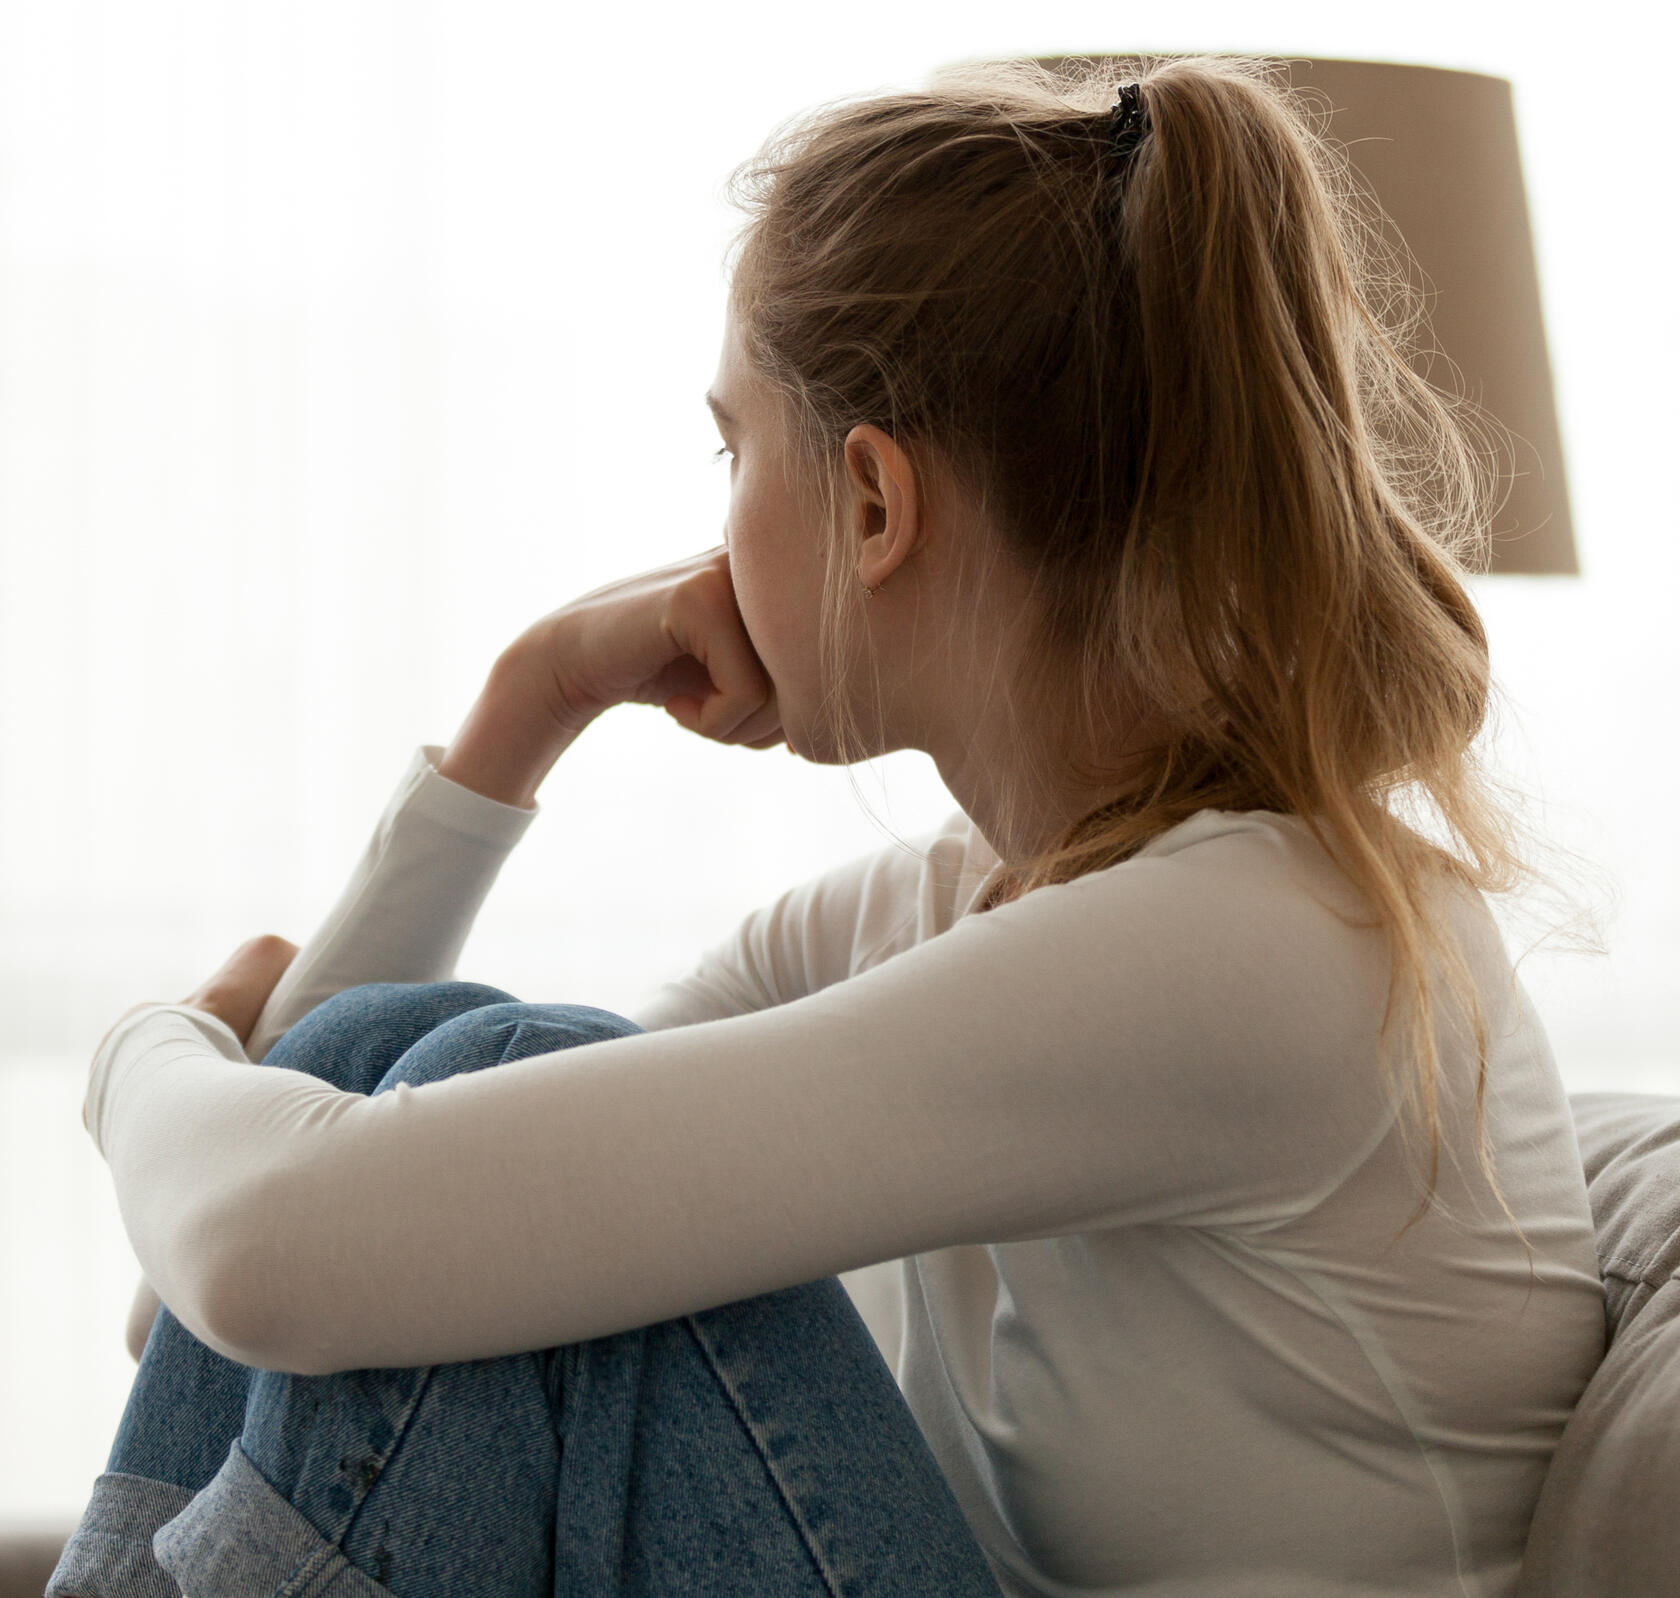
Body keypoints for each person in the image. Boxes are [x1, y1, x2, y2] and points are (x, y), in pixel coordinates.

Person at [51, 51, 1610, 1598]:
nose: (716, 520)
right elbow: (243, 1296)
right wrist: (525, 709)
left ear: (874, 505)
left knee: (502, 1074)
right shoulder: (948, 909)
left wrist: (146, 1054)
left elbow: (268, 1247)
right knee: (454, 1075)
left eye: (733, 450)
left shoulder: (1259, 944)